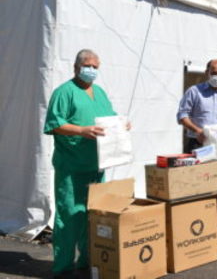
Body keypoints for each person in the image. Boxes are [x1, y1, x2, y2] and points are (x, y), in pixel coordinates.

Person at [44, 49, 124, 278]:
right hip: (71, 165)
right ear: (76, 67)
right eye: (87, 65)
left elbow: (109, 117)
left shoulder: (99, 93)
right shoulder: (64, 92)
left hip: (96, 165)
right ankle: (63, 265)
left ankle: (88, 260)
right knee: (69, 215)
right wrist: (81, 130)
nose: (91, 70)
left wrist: (121, 124)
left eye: (95, 67)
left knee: (92, 214)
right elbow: (53, 123)